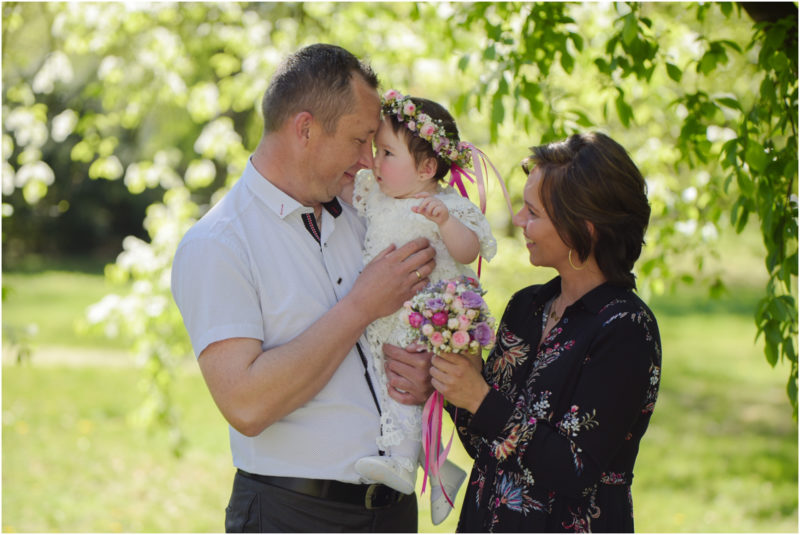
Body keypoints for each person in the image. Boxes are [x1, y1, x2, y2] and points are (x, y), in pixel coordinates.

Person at [171, 44, 437, 532]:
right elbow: (246, 404)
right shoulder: (218, 244)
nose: (366, 162)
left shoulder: (367, 214)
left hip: (393, 514)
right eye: (359, 141)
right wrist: (360, 305)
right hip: (291, 515)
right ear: (306, 129)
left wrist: (420, 375)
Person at [430, 132, 662, 532]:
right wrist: (457, 380)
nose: (518, 220)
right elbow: (488, 446)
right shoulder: (526, 307)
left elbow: (575, 470)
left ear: (583, 230)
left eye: (533, 212)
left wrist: (480, 397)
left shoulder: (625, 328)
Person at [342, 90, 497, 525]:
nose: (375, 163)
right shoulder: (378, 194)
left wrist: (445, 222)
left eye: (387, 153)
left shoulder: (448, 205)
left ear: (428, 168)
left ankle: (402, 464)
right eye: (376, 151)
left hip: (425, 318)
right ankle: (441, 472)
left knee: (405, 389)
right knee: (386, 381)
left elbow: (468, 251)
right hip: (385, 312)